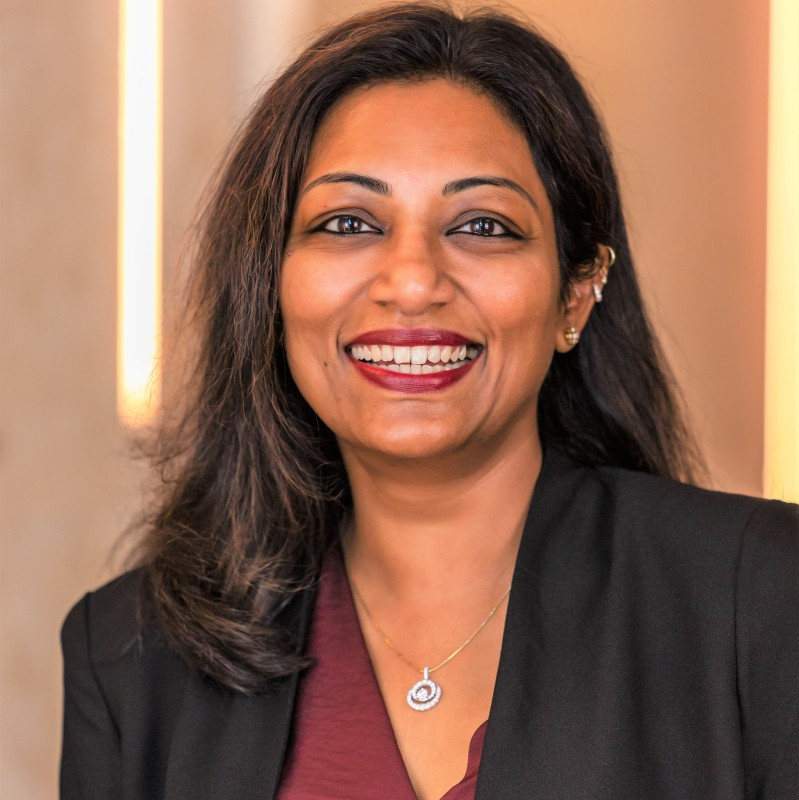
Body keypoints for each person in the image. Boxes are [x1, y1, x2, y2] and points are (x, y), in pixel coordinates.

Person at [60, 3, 799, 798]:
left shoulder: (757, 595)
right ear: (269, 284)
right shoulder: (131, 655)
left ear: (575, 293)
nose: (412, 282)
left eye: (483, 226)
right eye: (348, 222)